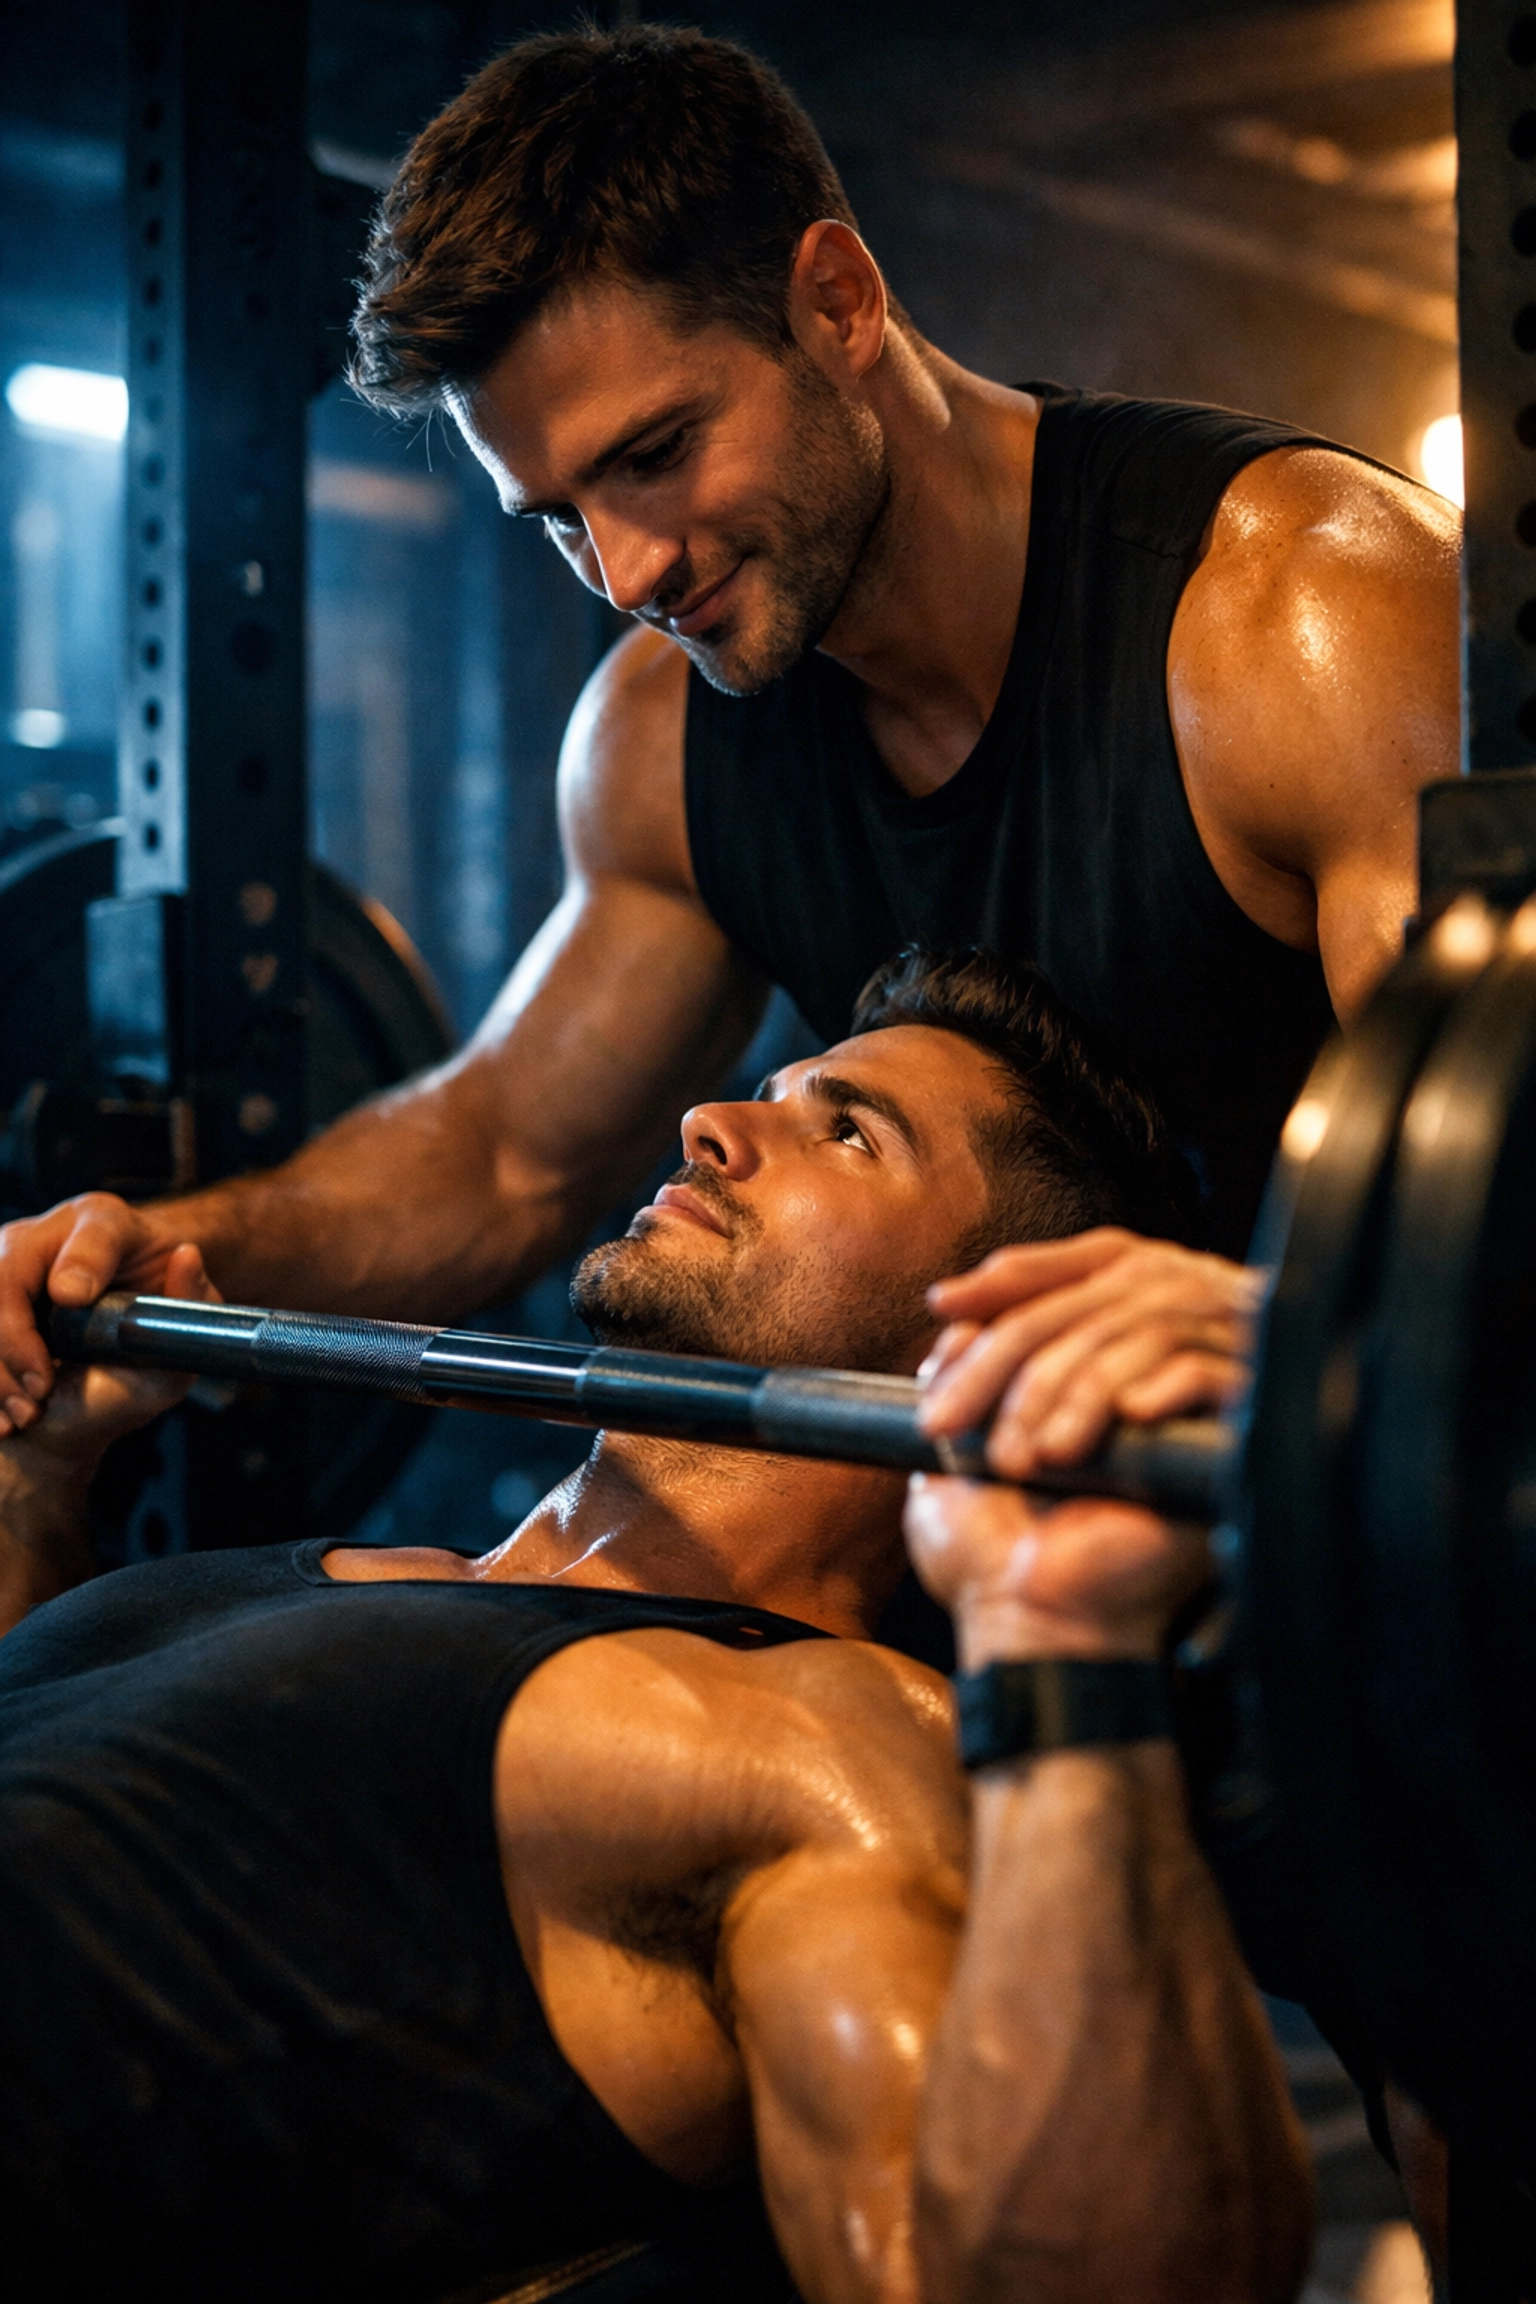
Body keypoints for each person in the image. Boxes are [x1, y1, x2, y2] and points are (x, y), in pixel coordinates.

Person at [0, 19, 1459, 1431]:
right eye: (562, 515)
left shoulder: (1297, 617)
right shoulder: (662, 732)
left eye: (655, 452)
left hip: (1348, 1542)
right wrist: (140, 1251)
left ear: (837, 301)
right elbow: (505, 1155)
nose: (629, 572)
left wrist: (1277, 1328)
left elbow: (1499, 1176)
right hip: (967, 1542)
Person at [0, 950, 1308, 2304]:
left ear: (994, 1328)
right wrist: (36, 1481)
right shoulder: (332, 1580)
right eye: (766, 1091)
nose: (711, 1124)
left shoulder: (823, 1746)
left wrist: (1067, 1651)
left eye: (845, 1132)